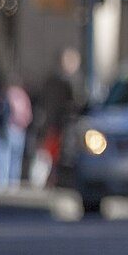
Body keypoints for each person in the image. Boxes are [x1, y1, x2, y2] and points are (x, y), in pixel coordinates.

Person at [30, 47, 86, 186]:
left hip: (62, 126)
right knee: (50, 154)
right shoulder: (61, 82)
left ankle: (52, 179)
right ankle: (48, 179)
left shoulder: (70, 81)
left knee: (55, 154)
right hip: (57, 126)